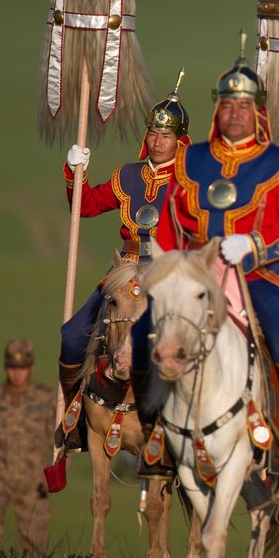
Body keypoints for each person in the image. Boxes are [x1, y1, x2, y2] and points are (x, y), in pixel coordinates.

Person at [171, 41, 279, 473]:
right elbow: (172, 221)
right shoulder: (191, 159)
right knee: (151, 326)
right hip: (199, 271)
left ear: (258, 112)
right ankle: (153, 425)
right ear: (216, 110)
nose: (234, 112)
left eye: (243, 105)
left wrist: (252, 247)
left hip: (259, 275)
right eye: (227, 104)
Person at [56, 76, 188, 462]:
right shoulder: (128, 175)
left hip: (165, 275)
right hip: (124, 271)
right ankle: (73, 416)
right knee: (72, 337)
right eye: (153, 133)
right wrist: (73, 172)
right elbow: (85, 206)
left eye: (166, 135)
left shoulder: (188, 182)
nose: (158, 141)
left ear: (180, 141)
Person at [0, 340, 58, 555]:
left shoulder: (46, 399)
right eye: (12, 368)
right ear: (5, 368)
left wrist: (52, 474)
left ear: (31, 369)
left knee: (35, 542)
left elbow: (58, 440)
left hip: (34, 480)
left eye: (22, 368)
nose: (17, 374)